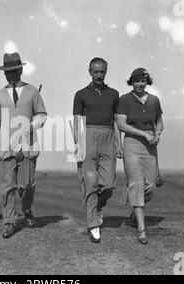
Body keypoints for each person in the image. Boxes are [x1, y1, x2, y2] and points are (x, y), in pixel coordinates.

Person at [0, 52, 47, 239]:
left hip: (27, 146)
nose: (11, 74)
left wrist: (31, 125)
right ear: (4, 73)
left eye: (14, 70)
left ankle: (27, 209)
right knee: (5, 187)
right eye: (7, 72)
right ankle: (9, 222)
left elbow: (42, 114)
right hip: (5, 147)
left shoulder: (32, 91)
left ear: (20, 70)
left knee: (26, 185)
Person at [72, 57, 123, 243]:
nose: (99, 75)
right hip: (88, 136)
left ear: (106, 72)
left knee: (109, 184)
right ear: (90, 72)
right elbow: (77, 122)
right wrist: (77, 145)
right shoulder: (80, 94)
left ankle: (95, 209)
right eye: (96, 71)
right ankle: (93, 224)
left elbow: (116, 121)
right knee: (90, 182)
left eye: (102, 71)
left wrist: (119, 143)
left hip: (109, 136)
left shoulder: (114, 94)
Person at [116, 67, 164, 245]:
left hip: (150, 146)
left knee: (149, 186)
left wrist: (157, 134)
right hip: (132, 145)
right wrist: (143, 134)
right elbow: (121, 124)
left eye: (143, 81)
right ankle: (142, 230)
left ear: (147, 82)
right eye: (136, 81)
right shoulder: (124, 100)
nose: (140, 84)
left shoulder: (154, 100)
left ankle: (135, 212)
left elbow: (159, 122)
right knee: (136, 184)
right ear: (131, 82)